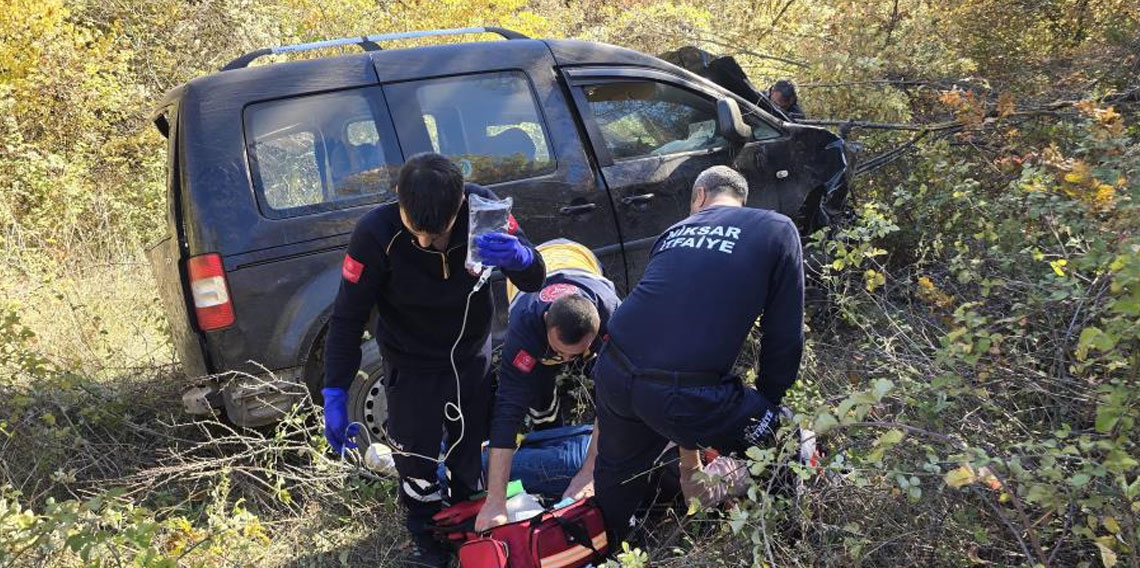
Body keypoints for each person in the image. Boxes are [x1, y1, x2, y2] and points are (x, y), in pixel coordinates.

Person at [321, 152, 546, 567]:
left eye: (437, 234)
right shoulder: (375, 233)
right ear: (398, 201)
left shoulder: (485, 212)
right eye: (417, 232)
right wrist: (335, 390)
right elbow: (348, 316)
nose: (427, 243)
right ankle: (426, 539)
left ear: (460, 201)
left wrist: (522, 258)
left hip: (469, 357)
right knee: (415, 458)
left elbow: (535, 279)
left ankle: (468, 526)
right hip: (409, 360)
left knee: (468, 453)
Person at [591, 165, 805, 545]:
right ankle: (792, 540)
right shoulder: (775, 228)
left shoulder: (673, 233)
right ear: (738, 200)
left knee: (618, 476)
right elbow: (783, 335)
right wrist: (766, 406)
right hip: (682, 392)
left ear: (700, 198)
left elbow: (671, 339)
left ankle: (614, 548)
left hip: (613, 368)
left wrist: (690, 462)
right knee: (786, 440)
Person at [473, 240, 621, 532]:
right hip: (538, 271)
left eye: (574, 354)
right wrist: (495, 501)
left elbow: (614, 395)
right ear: (545, 323)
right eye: (559, 352)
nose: (565, 360)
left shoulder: (613, 316)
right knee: (538, 390)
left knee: (608, 378)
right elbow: (507, 411)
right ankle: (548, 430)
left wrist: (589, 471)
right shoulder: (525, 326)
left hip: (581, 257)